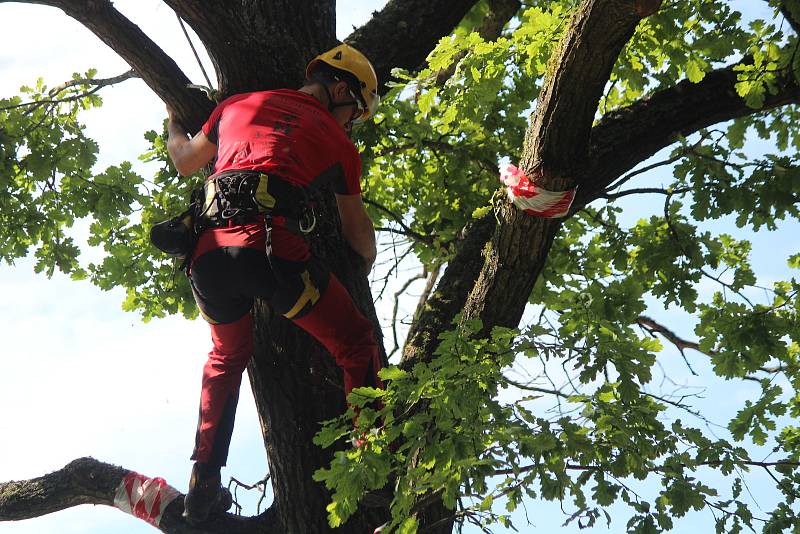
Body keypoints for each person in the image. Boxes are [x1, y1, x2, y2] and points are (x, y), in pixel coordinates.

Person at [165, 43, 384, 524]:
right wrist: (362, 264)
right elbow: (356, 230)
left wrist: (173, 121)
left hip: (207, 255)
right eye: (355, 113)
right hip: (271, 252)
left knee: (225, 358)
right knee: (354, 341)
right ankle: (373, 463)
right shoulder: (340, 145)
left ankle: (202, 483)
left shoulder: (236, 106)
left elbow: (184, 159)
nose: (351, 124)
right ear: (342, 89)